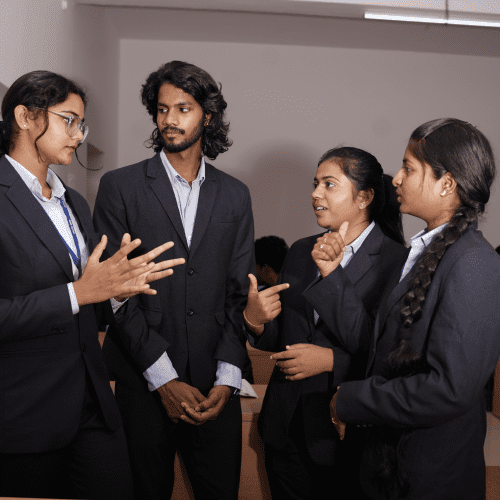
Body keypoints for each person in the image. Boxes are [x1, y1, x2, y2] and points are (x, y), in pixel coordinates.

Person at [0, 70, 184, 500]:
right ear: (25, 116)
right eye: (69, 120)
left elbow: (88, 301)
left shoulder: (74, 203)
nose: (78, 135)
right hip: (25, 411)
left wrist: (116, 290)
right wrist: (79, 293)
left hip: (93, 403)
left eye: (82, 125)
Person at [305, 119, 500, 499]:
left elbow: (449, 389)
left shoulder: (474, 263)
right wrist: (331, 275)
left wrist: (350, 399)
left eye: (409, 168)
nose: (396, 179)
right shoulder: (423, 253)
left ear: (447, 183)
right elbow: (376, 344)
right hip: (390, 464)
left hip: (428, 475)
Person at [93, 61, 255, 500]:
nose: (169, 119)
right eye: (162, 109)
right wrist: (162, 378)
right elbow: (114, 295)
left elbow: (239, 293)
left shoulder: (236, 195)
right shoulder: (119, 187)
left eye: (183, 108)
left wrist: (227, 378)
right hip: (142, 384)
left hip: (213, 389)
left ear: (207, 114)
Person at [243, 147, 407, 499]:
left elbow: (389, 351)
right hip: (284, 428)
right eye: (315, 184)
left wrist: (331, 361)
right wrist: (256, 322)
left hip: (345, 431)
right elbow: (284, 337)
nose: (316, 194)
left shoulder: (396, 262)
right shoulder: (302, 250)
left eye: (329, 184)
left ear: (364, 197)